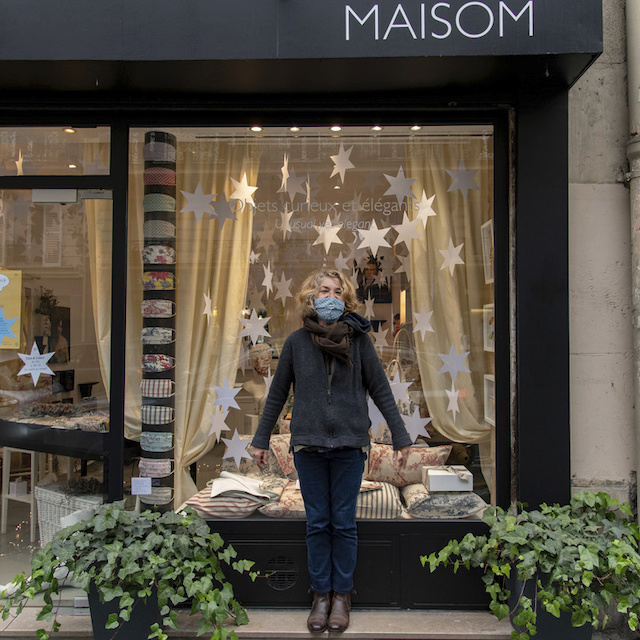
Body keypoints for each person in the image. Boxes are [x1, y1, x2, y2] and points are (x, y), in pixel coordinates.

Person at [250, 268, 412, 633]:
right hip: (308, 445)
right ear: (311, 296)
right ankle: (320, 595)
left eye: (338, 292)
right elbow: (277, 395)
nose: (331, 296)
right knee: (317, 523)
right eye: (324, 290)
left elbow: (381, 390)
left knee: (343, 524)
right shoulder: (295, 343)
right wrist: (261, 439)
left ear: (346, 300)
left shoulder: (358, 341)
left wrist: (401, 436)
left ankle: (342, 595)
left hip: (350, 445)